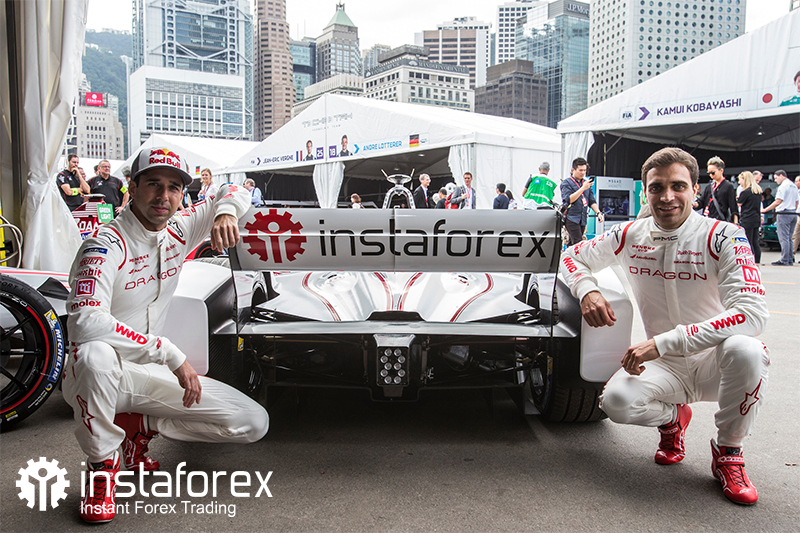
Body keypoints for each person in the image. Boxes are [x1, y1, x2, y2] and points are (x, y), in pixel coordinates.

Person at [63, 146, 269, 523]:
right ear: (132, 187)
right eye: (154, 184)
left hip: (148, 373)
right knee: (95, 354)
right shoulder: (104, 245)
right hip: (98, 376)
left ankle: (139, 426)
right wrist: (169, 353)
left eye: (174, 187)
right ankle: (101, 466)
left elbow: (237, 188)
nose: (164, 196)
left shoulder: (179, 227)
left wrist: (225, 211)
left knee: (253, 422)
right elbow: (84, 323)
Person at [561, 147, 769, 505]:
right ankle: (673, 419)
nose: (667, 196)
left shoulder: (725, 235)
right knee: (616, 402)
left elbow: (752, 314)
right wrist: (587, 291)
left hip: (714, 361)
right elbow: (571, 255)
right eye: (657, 187)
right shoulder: (629, 233)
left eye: (678, 186)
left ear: (695, 190)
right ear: (646, 193)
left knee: (747, 349)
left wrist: (663, 342)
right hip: (665, 365)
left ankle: (728, 453)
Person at [559, 157, 604, 246]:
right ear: (573, 170)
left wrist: (598, 213)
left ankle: (568, 254)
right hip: (571, 217)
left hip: (582, 218)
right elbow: (569, 199)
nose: (583, 173)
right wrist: (583, 188)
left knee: (573, 244)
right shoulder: (566, 183)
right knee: (578, 243)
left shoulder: (586, 183)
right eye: (580, 170)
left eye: (584, 170)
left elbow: (591, 201)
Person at [761, 169, 798, 266]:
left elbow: (778, 201)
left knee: (783, 238)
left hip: (784, 213)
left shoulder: (783, 186)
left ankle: (784, 259)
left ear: (781, 175)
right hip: (792, 212)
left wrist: (765, 210)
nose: (775, 180)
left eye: (776, 178)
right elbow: (796, 202)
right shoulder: (793, 185)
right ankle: (789, 259)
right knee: (789, 238)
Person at [696, 156, 738, 224]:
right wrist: (693, 204)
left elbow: (733, 207)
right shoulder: (709, 186)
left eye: (713, 173)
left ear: (721, 171)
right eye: (709, 173)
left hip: (720, 221)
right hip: (707, 219)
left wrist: (736, 223)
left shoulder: (728, 186)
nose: (711, 175)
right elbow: (701, 201)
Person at [736, 171, 763, 264]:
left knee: (748, 241)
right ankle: (757, 261)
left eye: (740, 180)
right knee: (755, 241)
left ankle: (749, 260)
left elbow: (738, 204)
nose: (739, 182)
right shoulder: (758, 191)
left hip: (747, 218)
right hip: (756, 218)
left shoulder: (745, 192)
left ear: (745, 180)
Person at [793, 176, 800, 254]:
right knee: (795, 235)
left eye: (796, 181)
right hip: (797, 215)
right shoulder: (796, 192)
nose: (795, 183)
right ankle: (791, 254)